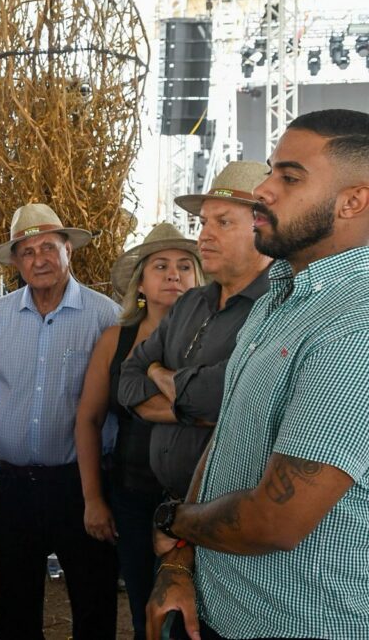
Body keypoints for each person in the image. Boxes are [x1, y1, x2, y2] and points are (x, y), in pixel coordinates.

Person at [147, 109, 369, 639]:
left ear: (353, 200)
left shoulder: (354, 322)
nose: (264, 190)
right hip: (223, 610)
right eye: (271, 172)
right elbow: (226, 441)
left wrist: (173, 522)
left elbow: (276, 520)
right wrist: (180, 564)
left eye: (289, 177)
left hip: (305, 624)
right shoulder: (283, 299)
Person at [0, 203, 120, 639]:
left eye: (49, 247)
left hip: (82, 483)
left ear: (68, 249)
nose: (39, 259)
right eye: (27, 251)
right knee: (14, 604)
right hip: (14, 484)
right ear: (16, 262)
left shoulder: (104, 316)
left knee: (93, 601)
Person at [74, 223, 203, 640]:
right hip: (132, 494)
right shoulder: (116, 338)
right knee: (144, 605)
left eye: (185, 266)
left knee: (202, 612)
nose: (174, 274)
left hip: (202, 495)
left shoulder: (218, 339)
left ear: (200, 280)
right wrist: (94, 498)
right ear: (141, 283)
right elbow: (89, 419)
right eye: (161, 266)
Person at [118, 162, 271, 501]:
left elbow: (224, 398)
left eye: (224, 222)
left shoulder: (275, 308)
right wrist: (193, 412)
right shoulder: (190, 303)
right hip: (171, 501)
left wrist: (156, 373)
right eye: (203, 222)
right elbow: (128, 381)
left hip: (232, 510)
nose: (205, 235)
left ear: (262, 227)